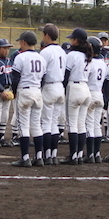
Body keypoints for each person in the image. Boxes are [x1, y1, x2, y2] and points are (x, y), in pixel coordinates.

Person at [10, 31, 47, 167]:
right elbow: (44, 79)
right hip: (37, 91)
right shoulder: (41, 58)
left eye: (20, 41)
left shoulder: (20, 57)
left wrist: (14, 93)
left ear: (24, 42)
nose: (20, 44)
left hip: (24, 91)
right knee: (36, 126)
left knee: (23, 126)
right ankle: (39, 157)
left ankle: (25, 158)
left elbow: (15, 78)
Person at [61, 28, 93, 165]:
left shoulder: (72, 54)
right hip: (86, 88)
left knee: (72, 124)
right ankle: (79, 154)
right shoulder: (88, 56)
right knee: (81, 124)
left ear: (76, 40)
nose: (70, 40)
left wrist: (61, 88)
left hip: (74, 88)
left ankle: (73, 156)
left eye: (72, 38)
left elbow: (66, 75)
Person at [39, 23, 66, 165]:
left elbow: (42, 73)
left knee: (46, 122)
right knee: (54, 123)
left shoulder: (46, 52)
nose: (42, 37)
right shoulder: (62, 51)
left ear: (47, 36)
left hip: (49, 87)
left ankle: (46, 155)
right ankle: (53, 154)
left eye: (43, 34)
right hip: (60, 87)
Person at [85, 36, 107, 163]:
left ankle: (90, 155)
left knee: (88, 125)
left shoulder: (90, 62)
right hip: (99, 94)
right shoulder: (103, 63)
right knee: (96, 125)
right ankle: (97, 154)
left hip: (90, 93)